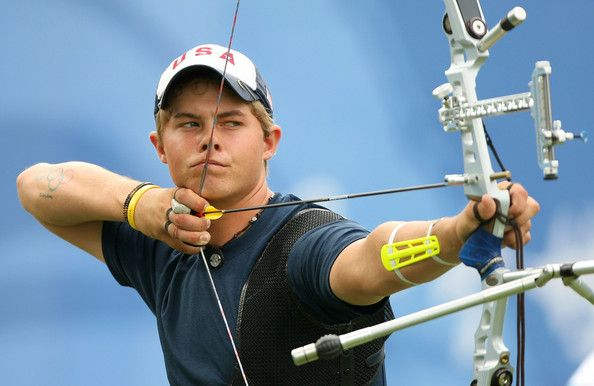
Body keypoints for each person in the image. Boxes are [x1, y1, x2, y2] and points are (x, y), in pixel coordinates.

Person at [17, 43, 539, 385]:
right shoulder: (162, 243)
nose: (210, 141)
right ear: (160, 145)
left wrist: (453, 234)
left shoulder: (302, 242)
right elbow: (36, 187)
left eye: (231, 122)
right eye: (189, 124)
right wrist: (139, 203)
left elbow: (368, 261)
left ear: (270, 142)